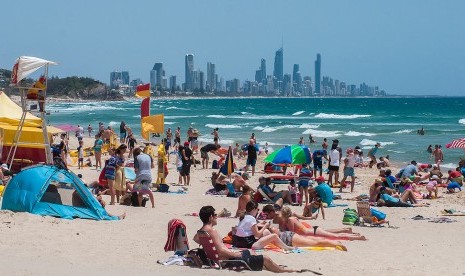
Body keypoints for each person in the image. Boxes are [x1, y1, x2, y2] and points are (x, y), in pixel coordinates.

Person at [193, 206, 300, 272]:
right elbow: (221, 251)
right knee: (265, 258)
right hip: (226, 261)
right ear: (211, 217)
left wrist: (209, 246)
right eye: (215, 215)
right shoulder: (212, 231)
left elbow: (196, 239)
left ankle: (276, 267)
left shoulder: (201, 231)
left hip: (219, 259)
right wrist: (237, 254)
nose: (217, 217)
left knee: (252, 253)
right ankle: (283, 271)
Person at [261, 205, 348, 250]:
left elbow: (289, 231)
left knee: (319, 239)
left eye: (267, 214)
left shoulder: (282, 220)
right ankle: (343, 233)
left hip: (298, 233)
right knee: (322, 236)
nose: (267, 216)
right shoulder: (284, 218)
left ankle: (342, 238)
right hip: (303, 229)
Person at [278, 206, 366, 241]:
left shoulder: (289, 220)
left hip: (313, 232)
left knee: (336, 237)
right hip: (313, 230)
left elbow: (292, 234)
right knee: (333, 235)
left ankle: (358, 237)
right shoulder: (293, 218)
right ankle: (355, 235)